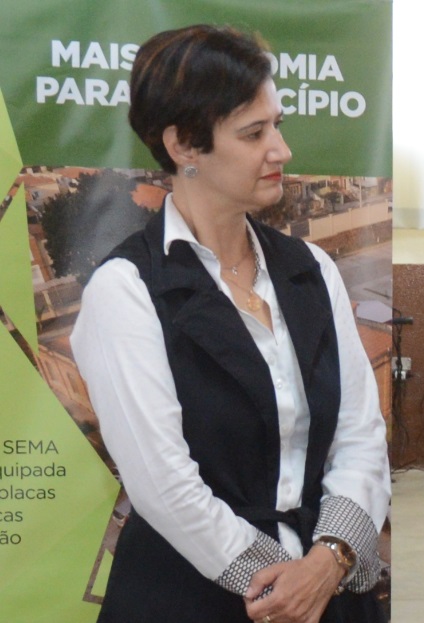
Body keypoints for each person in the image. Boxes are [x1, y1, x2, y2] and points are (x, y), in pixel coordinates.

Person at [70, 25, 390, 623]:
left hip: (328, 590)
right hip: (193, 599)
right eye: (253, 133)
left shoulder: (310, 269)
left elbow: (360, 435)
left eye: (278, 125)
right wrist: (280, 587)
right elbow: (164, 485)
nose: (281, 150)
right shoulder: (127, 291)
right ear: (183, 145)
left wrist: (328, 562)